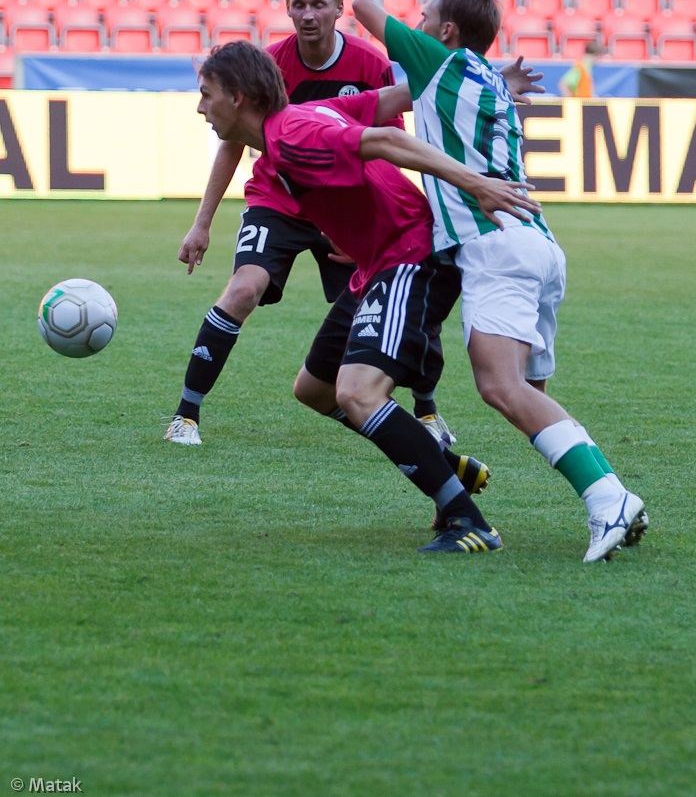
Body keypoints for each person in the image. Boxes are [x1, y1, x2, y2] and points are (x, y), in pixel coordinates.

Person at [195, 41, 542, 553]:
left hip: (410, 256)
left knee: (358, 393)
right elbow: (395, 98)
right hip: (377, 264)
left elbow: (385, 139)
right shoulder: (303, 117)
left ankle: (469, 522)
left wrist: (476, 185)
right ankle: (444, 466)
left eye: (206, 95)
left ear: (239, 97)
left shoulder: (292, 136)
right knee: (314, 389)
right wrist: (492, 87)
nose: (200, 107)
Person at [352, 0, 648, 563]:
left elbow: (362, 4)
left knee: (502, 387)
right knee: (529, 393)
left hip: (497, 250)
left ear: (448, 30)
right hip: (538, 246)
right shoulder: (486, 78)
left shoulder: (442, 64)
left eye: (425, 16)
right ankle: (589, 495)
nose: (417, 25)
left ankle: (608, 496)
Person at [166, 0, 453, 448]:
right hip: (278, 198)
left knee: (390, 289)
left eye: (318, 4)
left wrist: (372, 224)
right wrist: (202, 223)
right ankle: (185, 415)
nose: (307, 15)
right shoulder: (267, 65)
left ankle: (424, 410)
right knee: (241, 290)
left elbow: (387, 145)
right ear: (287, 9)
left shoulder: (368, 63)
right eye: (298, 4)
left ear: (340, 9)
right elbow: (234, 142)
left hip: (341, 202)